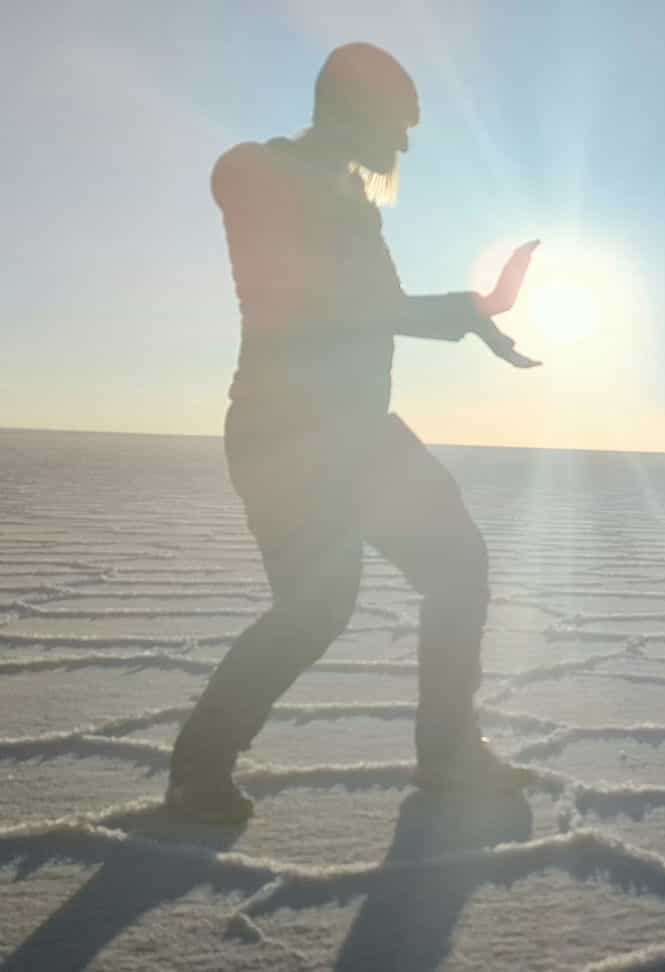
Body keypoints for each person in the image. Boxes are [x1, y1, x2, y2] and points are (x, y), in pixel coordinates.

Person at [167, 43, 543, 823]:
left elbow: (379, 307)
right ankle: (200, 766)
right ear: (353, 110)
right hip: (288, 434)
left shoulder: (345, 199)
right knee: (317, 609)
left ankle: (448, 754)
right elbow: (348, 297)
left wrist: (479, 314)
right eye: (398, 124)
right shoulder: (267, 175)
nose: (403, 144)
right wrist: (477, 310)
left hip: (358, 434)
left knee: (456, 565)